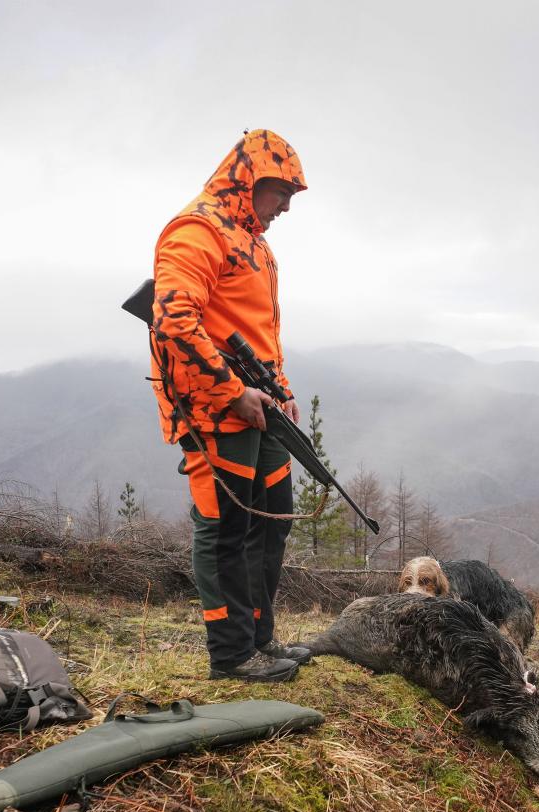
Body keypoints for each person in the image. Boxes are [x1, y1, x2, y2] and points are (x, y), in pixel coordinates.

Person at [148, 129, 312, 682]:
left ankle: (260, 640)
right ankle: (232, 653)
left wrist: (280, 389)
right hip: (216, 413)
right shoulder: (197, 231)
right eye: (283, 191)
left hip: (261, 406)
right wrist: (231, 392)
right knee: (225, 529)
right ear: (251, 179)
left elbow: (263, 332)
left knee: (272, 523)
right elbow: (172, 319)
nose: (287, 205)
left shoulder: (256, 244)